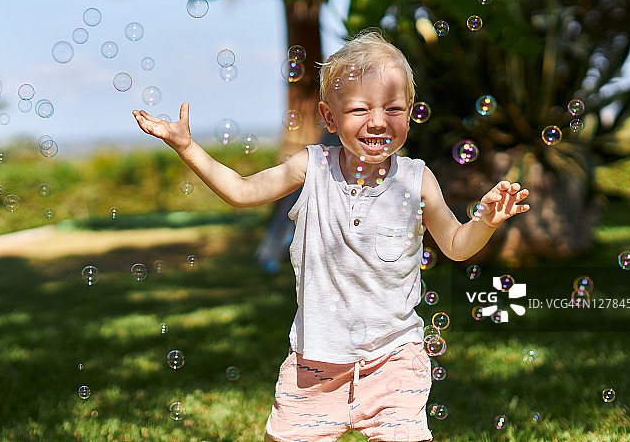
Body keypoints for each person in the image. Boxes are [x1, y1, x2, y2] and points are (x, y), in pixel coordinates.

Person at [133, 30, 530, 442]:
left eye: (393, 108)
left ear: (410, 112)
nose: (378, 120)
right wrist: (187, 146)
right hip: (315, 366)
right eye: (359, 109)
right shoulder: (311, 168)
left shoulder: (417, 180)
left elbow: (456, 245)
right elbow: (242, 190)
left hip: (396, 360)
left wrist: (484, 221)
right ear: (329, 117)